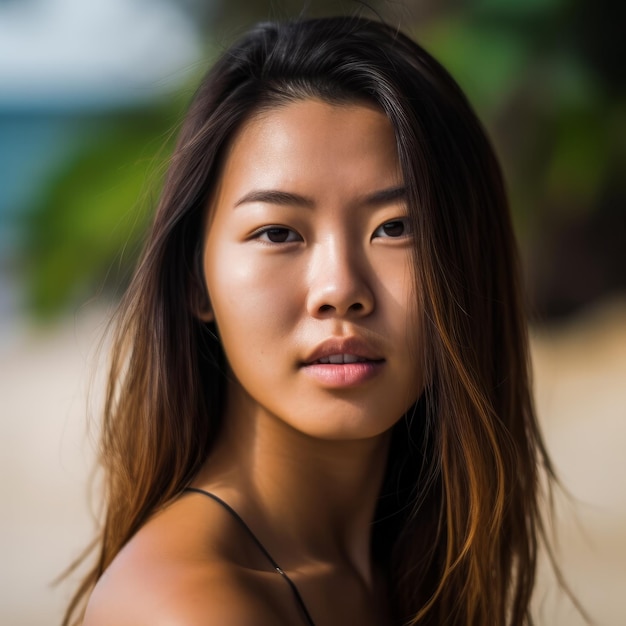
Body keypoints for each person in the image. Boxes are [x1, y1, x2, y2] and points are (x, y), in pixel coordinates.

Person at [63, 14, 560, 626]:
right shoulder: (190, 606)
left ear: (470, 261)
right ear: (196, 281)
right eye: (278, 232)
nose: (341, 290)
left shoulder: (412, 566)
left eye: (396, 228)